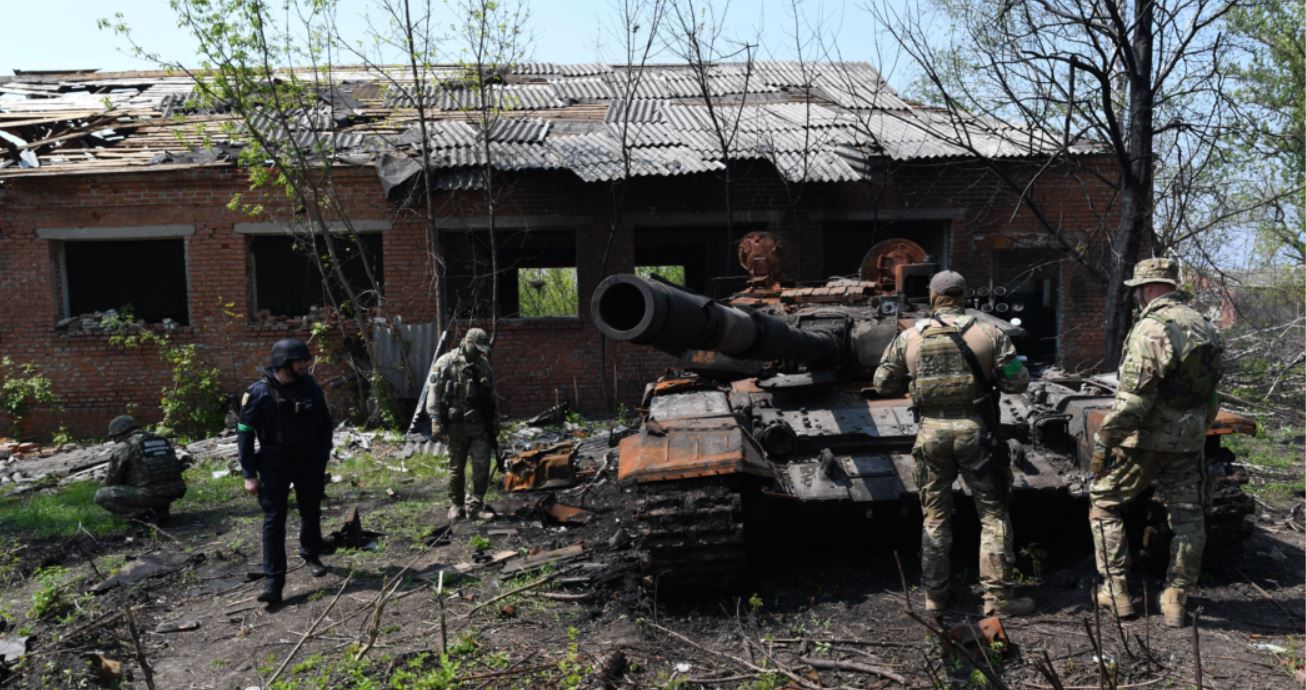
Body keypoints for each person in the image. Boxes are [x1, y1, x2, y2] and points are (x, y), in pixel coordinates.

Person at [874, 271, 1033, 617]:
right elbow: (1018, 381)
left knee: (935, 517)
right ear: (964, 296)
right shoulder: (990, 333)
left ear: (933, 298)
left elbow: (883, 382)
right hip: (977, 432)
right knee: (992, 516)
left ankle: (934, 599)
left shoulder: (910, 337)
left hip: (931, 433)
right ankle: (999, 600)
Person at [1089, 258, 1223, 628]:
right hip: (1188, 440)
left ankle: (1116, 592)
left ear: (1146, 289)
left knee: (1104, 504)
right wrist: (1196, 429)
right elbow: (1212, 396)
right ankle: (1176, 599)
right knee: (1188, 517)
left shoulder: (1150, 328)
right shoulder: (1206, 327)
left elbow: (1134, 400)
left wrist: (1106, 441)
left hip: (1145, 441)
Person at [237, 338, 334, 604]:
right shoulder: (259, 392)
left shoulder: (311, 387)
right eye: (300, 361)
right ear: (283, 362)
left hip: (309, 460)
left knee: (310, 511)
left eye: (306, 360)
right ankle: (274, 581)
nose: (305, 365)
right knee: (274, 520)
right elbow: (244, 434)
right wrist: (248, 474)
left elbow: (326, 424)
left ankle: (311, 554)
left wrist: (322, 456)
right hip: (274, 463)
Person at [426, 328, 500, 521]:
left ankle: (475, 506)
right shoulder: (446, 362)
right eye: (477, 348)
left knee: (482, 465)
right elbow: (434, 391)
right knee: (456, 468)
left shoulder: (483, 365)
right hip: (456, 425)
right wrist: (435, 420)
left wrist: (495, 420)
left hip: (479, 425)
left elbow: (493, 395)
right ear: (467, 343)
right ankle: (457, 505)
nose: (480, 352)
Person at [93, 415, 186, 523]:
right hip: (175, 492)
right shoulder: (161, 440)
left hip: (151, 495)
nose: (114, 441)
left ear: (119, 433)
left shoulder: (125, 446)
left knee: (101, 495)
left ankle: (144, 516)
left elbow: (112, 481)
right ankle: (160, 510)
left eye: (113, 437)